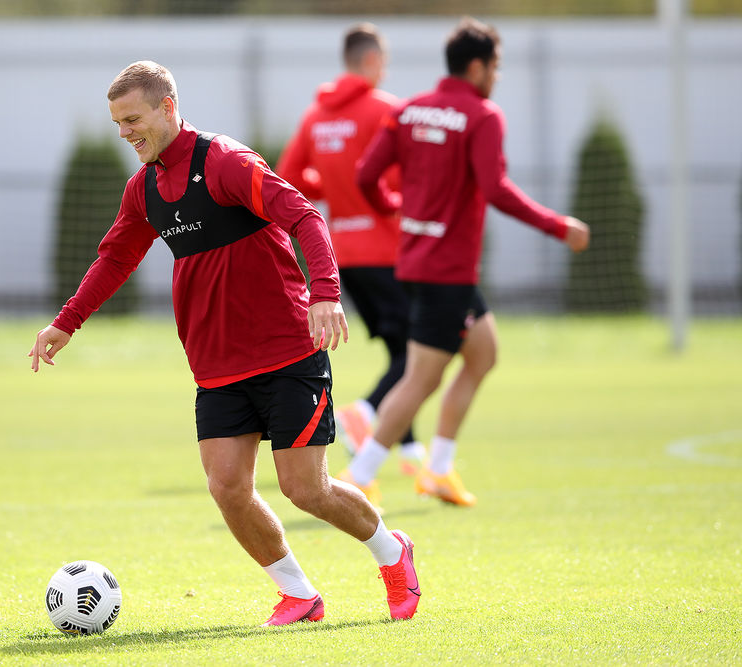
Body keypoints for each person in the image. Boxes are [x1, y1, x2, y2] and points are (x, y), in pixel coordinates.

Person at [29, 61, 420, 625]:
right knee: (227, 488)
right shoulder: (144, 188)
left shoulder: (226, 163)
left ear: (167, 107)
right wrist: (66, 322)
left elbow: (305, 217)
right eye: (117, 123)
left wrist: (326, 294)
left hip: (287, 352)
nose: (125, 133)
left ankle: (392, 551)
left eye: (132, 119)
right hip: (215, 366)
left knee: (305, 489)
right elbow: (115, 258)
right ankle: (299, 595)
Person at [346, 17, 590, 507]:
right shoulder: (482, 115)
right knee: (421, 378)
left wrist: (394, 208)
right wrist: (558, 226)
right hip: (447, 272)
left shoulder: (409, 110)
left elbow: (366, 175)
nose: (497, 76)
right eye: (495, 67)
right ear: (477, 67)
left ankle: (437, 469)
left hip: (418, 261)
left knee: (483, 353)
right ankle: (359, 475)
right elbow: (496, 189)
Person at [276, 23, 425, 506]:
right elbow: (410, 175)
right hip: (388, 249)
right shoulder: (386, 110)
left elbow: (289, 176)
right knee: (422, 355)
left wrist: (332, 189)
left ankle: (411, 449)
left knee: (402, 349)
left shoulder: (316, 115)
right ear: (372, 62)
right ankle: (367, 411)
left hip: (342, 253)